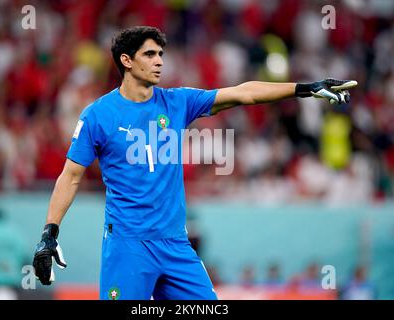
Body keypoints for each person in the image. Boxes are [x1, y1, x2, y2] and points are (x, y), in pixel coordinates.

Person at [32, 26, 357, 300]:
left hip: (175, 245)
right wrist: (49, 234)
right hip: (127, 246)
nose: (159, 61)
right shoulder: (98, 115)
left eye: (161, 54)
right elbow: (71, 177)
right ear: (127, 61)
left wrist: (303, 89)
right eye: (150, 54)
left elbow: (244, 93)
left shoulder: (177, 102)